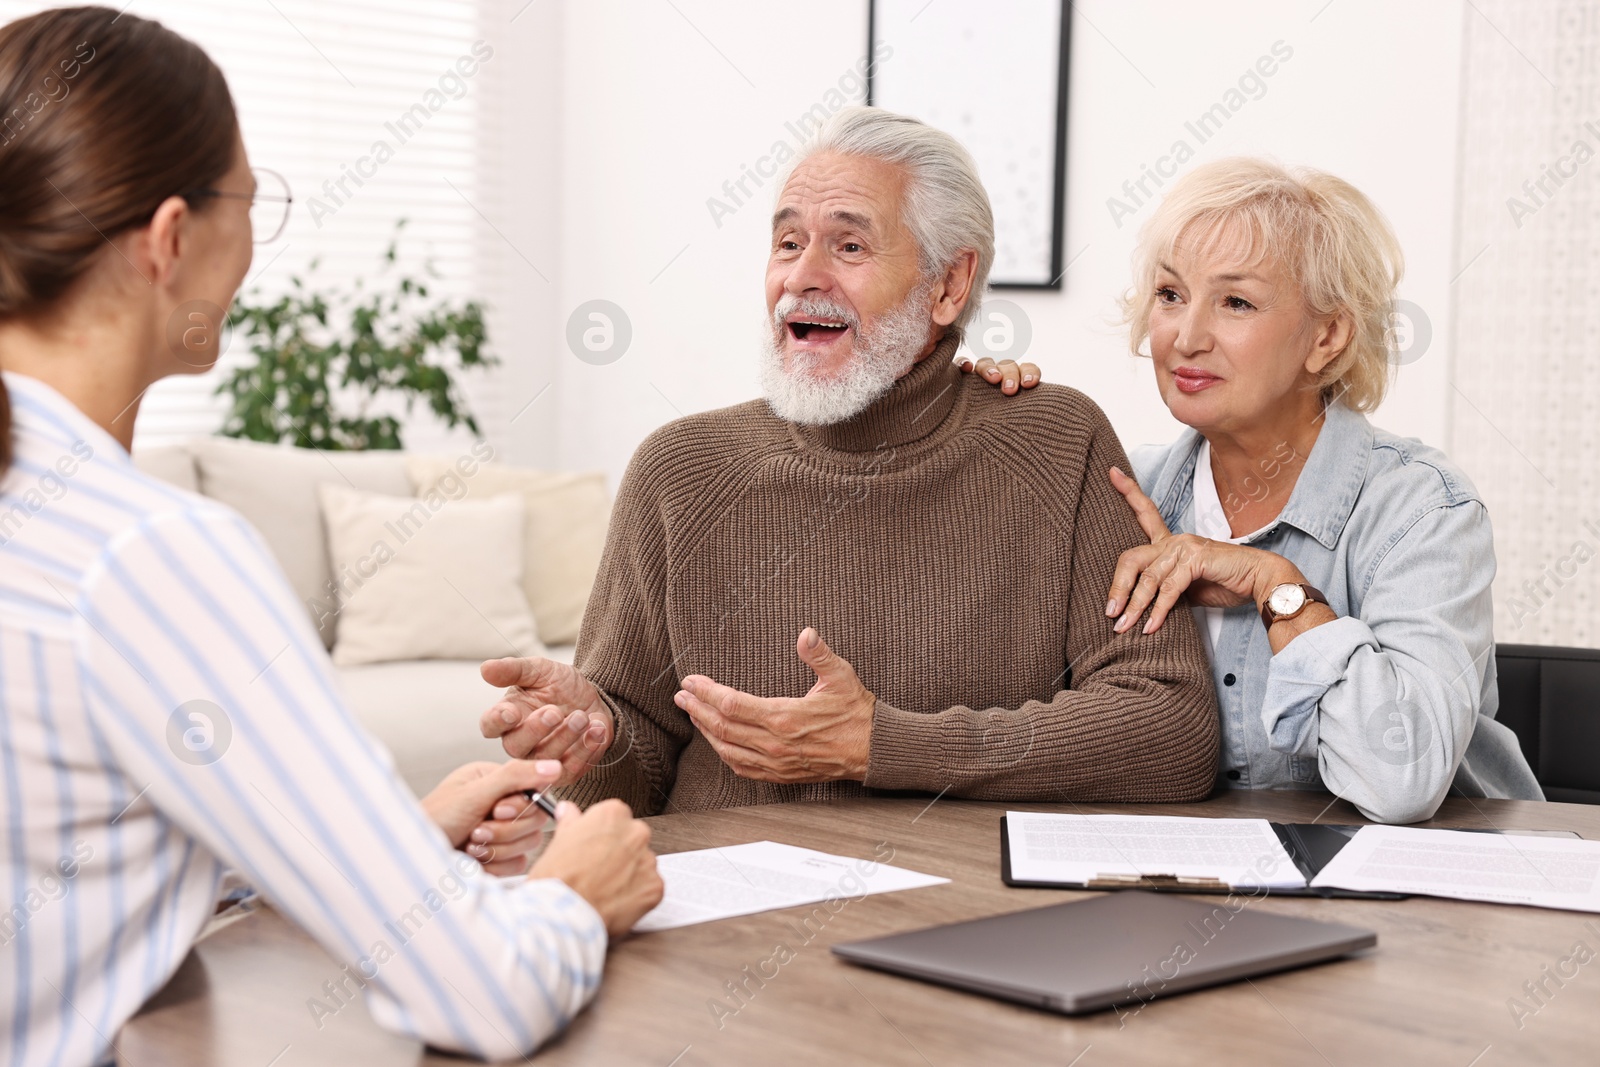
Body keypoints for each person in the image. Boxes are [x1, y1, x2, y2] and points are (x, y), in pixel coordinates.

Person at [0, 8, 660, 1064]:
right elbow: (478, 991)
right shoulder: (147, 553)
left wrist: (389, 834)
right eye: (253, 202)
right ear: (172, 238)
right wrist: (577, 894)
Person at [479, 107, 1220, 814]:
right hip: (723, 923)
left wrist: (884, 745)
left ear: (949, 284)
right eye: (788, 242)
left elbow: (1171, 732)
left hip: (962, 921)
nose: (803, 276)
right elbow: (628, 774)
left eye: (849, 245)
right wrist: (592, 743)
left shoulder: (1057, 442)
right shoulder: (679, 471)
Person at [963, 157, 1541, 823]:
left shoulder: (1424, 510)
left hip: (1441, 895)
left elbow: (1401, 778)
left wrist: (1274, 585)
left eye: (1235, 302)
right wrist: (983, 429)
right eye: (1171, 295)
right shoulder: (1128, 487)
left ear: (1326, 336)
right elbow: (1006, 694)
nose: (1186, 336)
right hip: (1200, 879)